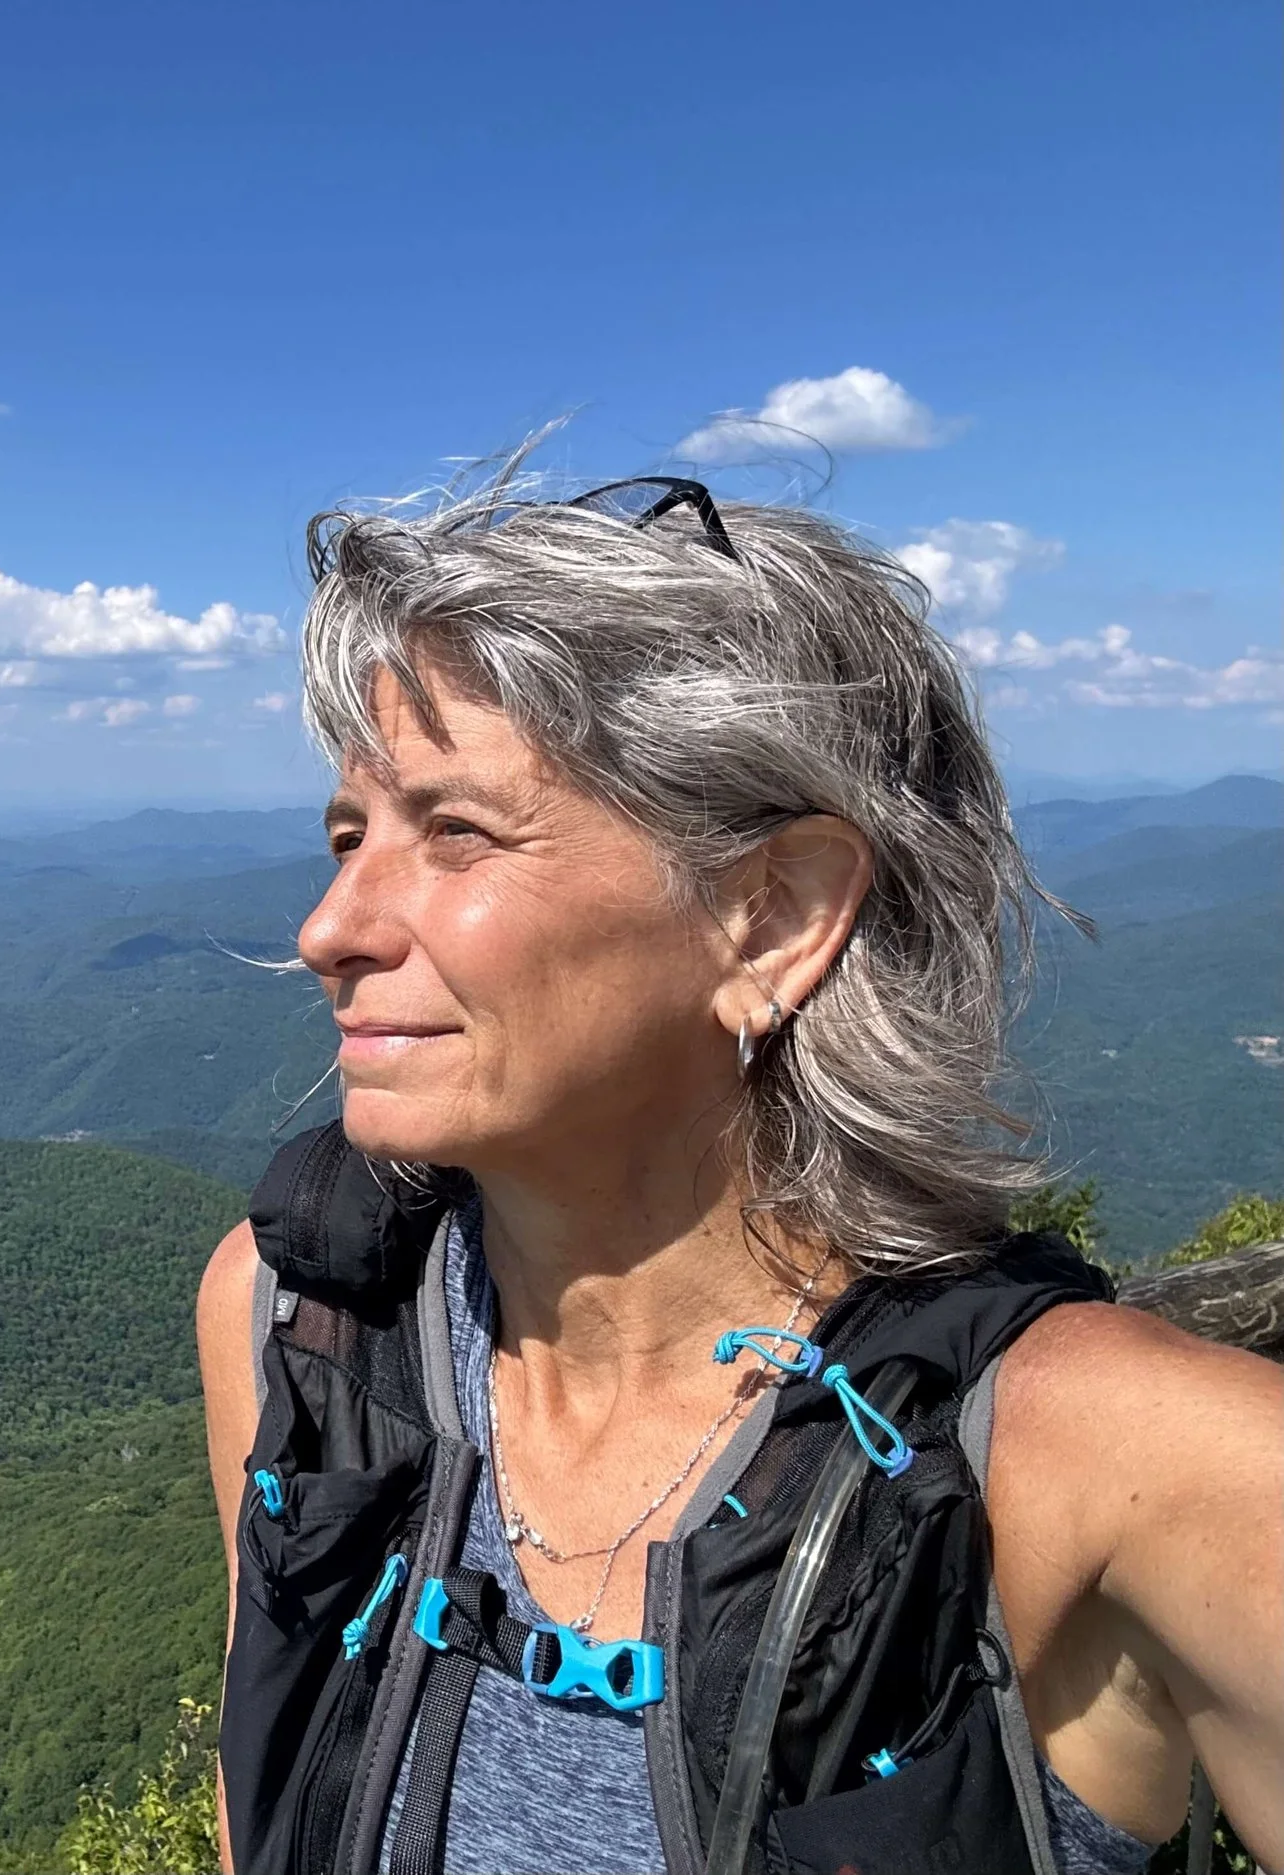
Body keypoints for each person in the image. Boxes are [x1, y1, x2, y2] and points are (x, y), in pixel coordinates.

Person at [195, 465, 1281, 1875]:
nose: (330, 923)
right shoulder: (299, 1321)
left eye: (453, 831)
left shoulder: (1132, 1465)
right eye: (350, 836)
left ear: (771, 917)